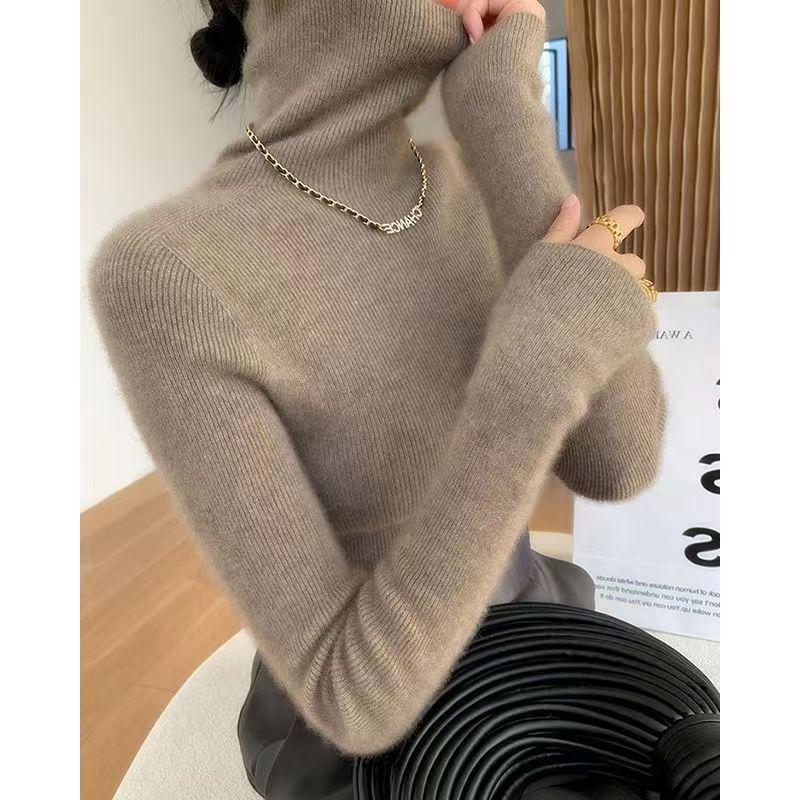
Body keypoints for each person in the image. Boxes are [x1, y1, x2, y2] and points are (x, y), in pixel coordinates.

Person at [89, 0, 665, 795]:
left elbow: (619, 463)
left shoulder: (473, 175)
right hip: (374, 735)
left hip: (538, 655)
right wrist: (530, 374)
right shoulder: (167, 269)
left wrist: (507, 120)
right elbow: (350, 697)